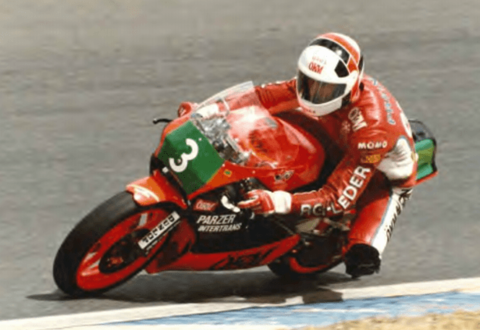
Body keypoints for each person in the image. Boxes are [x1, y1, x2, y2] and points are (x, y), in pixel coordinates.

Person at [179, 32, 417, 278]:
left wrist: (277, 201)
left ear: (350, 87)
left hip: (378, 175)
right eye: (309, 82)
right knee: (266, 122)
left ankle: (356, 244)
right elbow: (263, 97)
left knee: (362, 255)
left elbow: (337, 199)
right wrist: (210, 110)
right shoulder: (321, 85)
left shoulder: (372, 130)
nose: (313, 93)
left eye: (324, 90)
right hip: (337, 134)